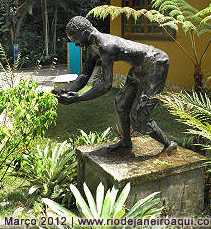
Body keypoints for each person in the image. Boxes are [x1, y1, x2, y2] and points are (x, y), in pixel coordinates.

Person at [55, 16, 177, 154]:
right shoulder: (91, 47)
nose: (76, 45)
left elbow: (106, 84)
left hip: (156, 62)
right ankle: (126, 141)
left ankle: (169, 144)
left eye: (77, 41)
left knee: (140, 115)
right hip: (138, 67)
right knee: (121, 104)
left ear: (87, 33)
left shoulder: (106, 46)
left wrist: (79, 98)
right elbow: (84, 75)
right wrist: (69, 92)